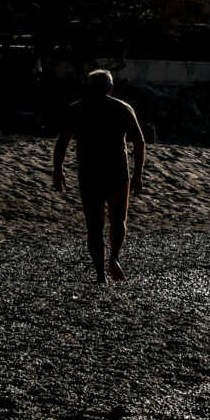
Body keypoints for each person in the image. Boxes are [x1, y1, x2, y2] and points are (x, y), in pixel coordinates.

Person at [51, 69, 146, 283]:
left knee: (94, 225)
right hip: (117, 172)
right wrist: (138, 174)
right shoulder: (122, 108)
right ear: (110, 88)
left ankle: (101, 275)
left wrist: (58, 170)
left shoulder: (77, 109)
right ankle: (113, 258)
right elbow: (139, 142)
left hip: (90, 173)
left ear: (89, 87)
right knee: (118, 220)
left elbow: (62, 143)